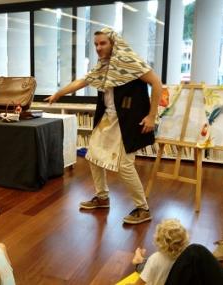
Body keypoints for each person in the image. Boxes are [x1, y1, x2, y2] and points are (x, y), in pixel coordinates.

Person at [45, 27, 162, 224]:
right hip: (107, 119)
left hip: (128, 121)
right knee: (93, 156)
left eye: (103, 43)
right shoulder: (103, 67)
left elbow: (157, 83)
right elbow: (82, 81)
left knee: (125, 166)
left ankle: (143, 208)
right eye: (96, 44)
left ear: (113, 43)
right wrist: (59, 93)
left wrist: (152, 116)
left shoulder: (130, 61)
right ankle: (102, 197)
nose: (98, 48)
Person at [130, 219, 189, 285]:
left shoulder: (155, 259)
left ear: (159, 240)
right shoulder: (184, 257)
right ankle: (141, 259)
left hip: (153, 271)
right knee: (148, 262)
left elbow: (141, 282)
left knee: (142, 266)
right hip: (157, 269)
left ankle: (138, 260)